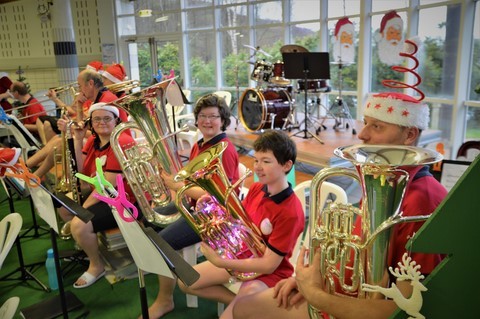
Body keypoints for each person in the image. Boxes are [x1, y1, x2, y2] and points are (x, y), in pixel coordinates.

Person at [231, 45, 448, 319]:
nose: (363, 134)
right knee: (246, 306)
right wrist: (310, 277)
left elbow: (402, 309)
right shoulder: (382, 179)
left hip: (348, 307)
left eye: (377, 126)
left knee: (246, 309)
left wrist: (315, 292)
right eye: (366, 122)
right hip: (338, 292)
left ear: (409, 136)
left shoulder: (423, 199)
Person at [177, 129, 304, 319]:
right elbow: (237, 221)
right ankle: (243, 306)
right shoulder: (257, 188)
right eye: (256, 160)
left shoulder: (291, 212)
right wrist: (212, 207)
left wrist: (221, 261)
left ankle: (244, 308)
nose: (258, 167)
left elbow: (269, 265)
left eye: (266, 161)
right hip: (243, 257)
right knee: (185, 281)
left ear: (286, 165)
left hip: (270, 273)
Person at [143, 93, 240, 319]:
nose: (207, 121)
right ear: (197, 119)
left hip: (214, 217)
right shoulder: (202, 144)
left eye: (213, 117)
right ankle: (164, 273)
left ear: (223, 120)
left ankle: (164, 301)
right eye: (203, 116)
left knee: (162, 243)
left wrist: (176, 185)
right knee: (149, 218)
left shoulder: (223, 150)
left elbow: (220, 199)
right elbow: (190, 180)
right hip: (193, 206)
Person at [56, 102, 138, 288]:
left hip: (123, 200)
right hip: (103, 194)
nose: (102, 123)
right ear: (90, 123)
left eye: (107, 118)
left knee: (79, 223)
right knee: (64, 205)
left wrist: (82, 210)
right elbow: (80, 167)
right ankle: (88, 247)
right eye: (97, 119)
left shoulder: (121, 141)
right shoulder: (94, 141)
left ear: (116, 121)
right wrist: (77, 139)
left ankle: (96, 265)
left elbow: (106, 185)